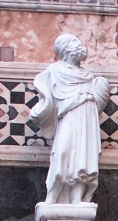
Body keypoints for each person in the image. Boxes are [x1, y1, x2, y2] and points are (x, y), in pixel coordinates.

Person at [32, 34, 110, 204]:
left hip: (86, 118)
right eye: (75, 41)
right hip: (67, 116)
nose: (80, 44)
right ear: (65, 48)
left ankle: (76, 197)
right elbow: (47, 97)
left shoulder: (88, 76)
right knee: (63, 152)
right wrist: (39, 111)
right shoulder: (55, 71)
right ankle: (52, 196)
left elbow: (98, 100)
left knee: (84, 156)